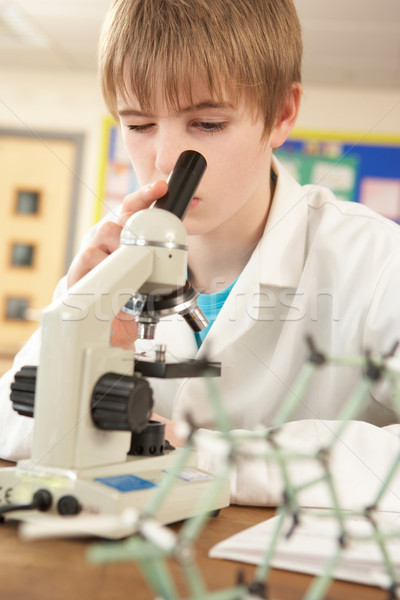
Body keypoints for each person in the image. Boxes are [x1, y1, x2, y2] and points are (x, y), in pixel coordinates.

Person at [1, 0, 400, 507]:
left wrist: (205, 458)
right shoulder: (110, 261)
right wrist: (73, 329)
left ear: (281, 115)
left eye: (207, 124)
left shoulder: (379, 260)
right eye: (140, 125)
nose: (164, 159)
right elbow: (11, 424)